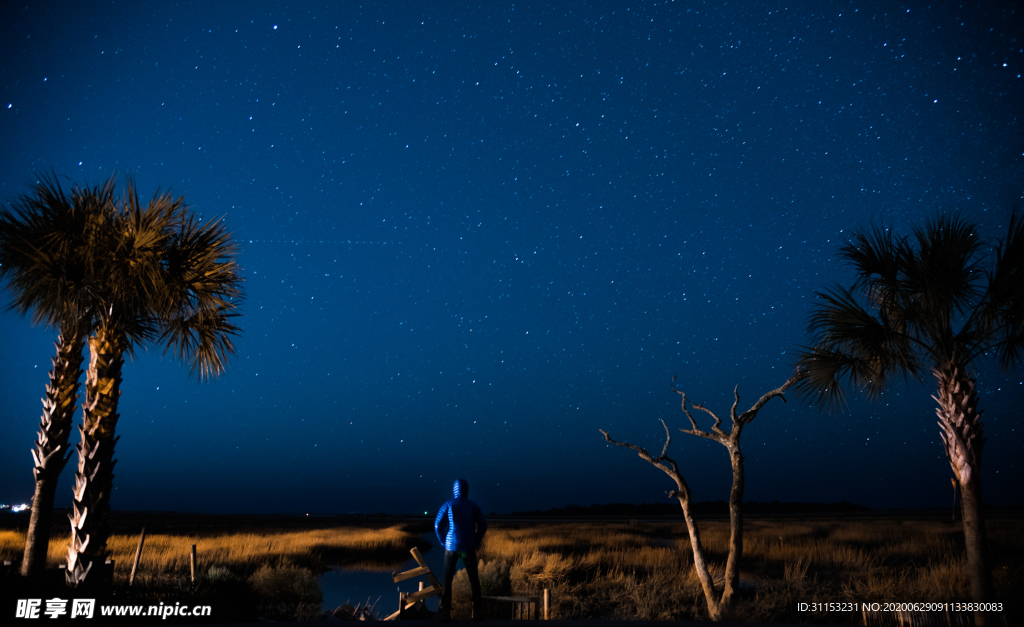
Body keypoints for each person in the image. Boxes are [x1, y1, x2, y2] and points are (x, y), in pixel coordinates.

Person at [434, 478, 487, 621]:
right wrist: (475, 540)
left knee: (447, 580)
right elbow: (483, 525)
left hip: (451, 547)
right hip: (468, 546)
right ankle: (477, 612)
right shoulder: (473, 506)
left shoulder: (448, 504)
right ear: (466, 489)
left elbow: (438, 524)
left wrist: (444, 542)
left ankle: (445, 613)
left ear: (454, 489)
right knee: (474, 580)